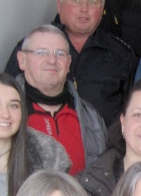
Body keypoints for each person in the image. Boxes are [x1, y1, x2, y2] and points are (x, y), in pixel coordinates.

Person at [4, 0, 136, 129]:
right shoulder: (32, 46)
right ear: (59, 5)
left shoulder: (121, 53)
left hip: (102, 143)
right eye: (76, 0)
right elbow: (7, 96)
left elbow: (132, 109)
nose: (84, 8)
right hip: (40, 141)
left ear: (102, 9)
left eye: (92, 2)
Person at [13, 25, 108, 174]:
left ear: (68, 63)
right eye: (42, 52)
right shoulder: (7, 115)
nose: (52, 60)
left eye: (60, 54)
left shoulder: (91, 118)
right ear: (22, 60)